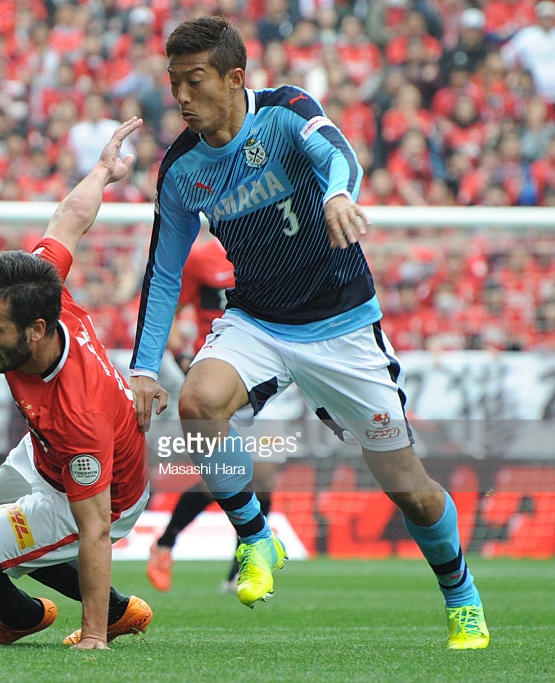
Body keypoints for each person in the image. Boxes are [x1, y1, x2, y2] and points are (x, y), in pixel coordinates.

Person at [128, 16, 488, 650]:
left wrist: (338, 195)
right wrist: (143, 368)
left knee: (413, 492)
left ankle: (460, 594)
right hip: (259, 322)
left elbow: (336, 152)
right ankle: (256, 538)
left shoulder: (288, 110)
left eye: (195, 81)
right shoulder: (181, 167)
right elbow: (162, 274)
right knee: (198, 404)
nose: (180, 96)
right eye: (173, 82)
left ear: (235, 78)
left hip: (343, 326)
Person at [0, 118, 152, 650]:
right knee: (2, 540)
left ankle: (29, 619)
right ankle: (116, 609)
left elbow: (93, 527)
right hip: (42, 457)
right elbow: (70, 217)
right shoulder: (44, 290)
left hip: (104, 492)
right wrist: (103, 171)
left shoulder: (78, 409)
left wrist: (92, 637)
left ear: (37, 330)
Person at [147, 237, 284, 594]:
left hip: (271, 368)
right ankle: (165, 542)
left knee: (265, 475)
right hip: (220, 374)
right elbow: (170, 312)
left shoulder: (274, 248)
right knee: (221, 477)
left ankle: (242, 566)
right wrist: (179, 354)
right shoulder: (200, 258)